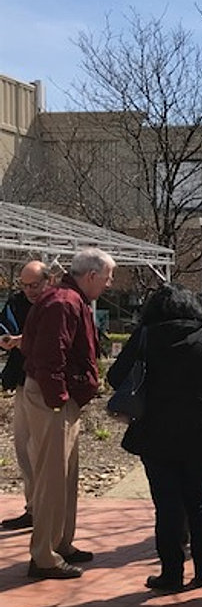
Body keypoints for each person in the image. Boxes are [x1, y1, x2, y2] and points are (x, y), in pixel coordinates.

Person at [107, 283, 202, 591]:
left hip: (155, 433)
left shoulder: (146, 339)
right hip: (199, 434)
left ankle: (171, 572)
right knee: (199, 500)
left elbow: (115, 376)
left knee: (167, 506)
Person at [20, 248, 115, 579]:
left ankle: (60, 543)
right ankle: (44, 555)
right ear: (90, 276)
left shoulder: (68, 299)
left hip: (59, 399)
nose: (109, 283)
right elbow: (49, 357)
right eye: (106, 277)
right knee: (52, 478)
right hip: (52, 400)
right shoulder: (64, 302)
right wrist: (59, 399)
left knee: (65, 476)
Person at [0, 261, 54, 530]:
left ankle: (47, 511)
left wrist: (25, 341)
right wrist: (6, 338)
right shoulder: (16, 302)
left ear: (48, 281)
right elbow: (2, 325)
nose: (30, 291)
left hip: (48, 385)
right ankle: (32, 507)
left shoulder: (56, 304)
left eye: (35, 285)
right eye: (25, 285)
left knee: (43, 452)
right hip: (22, 380)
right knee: (24, 448)